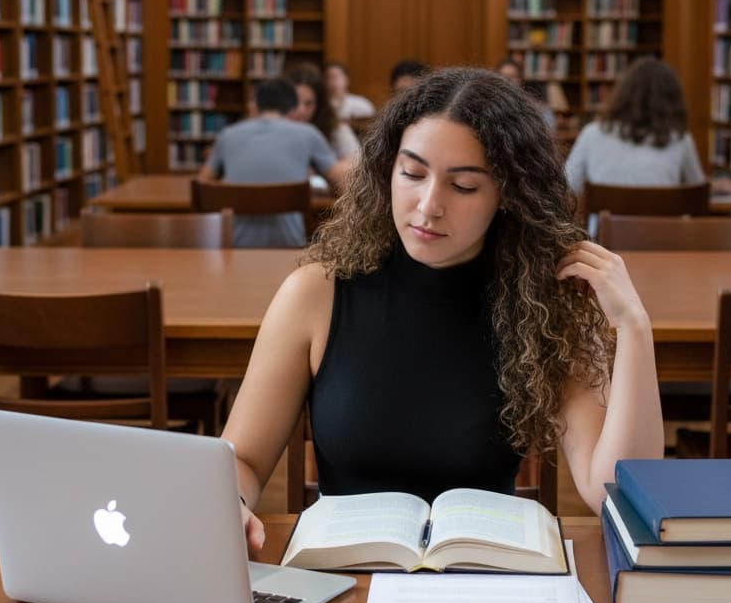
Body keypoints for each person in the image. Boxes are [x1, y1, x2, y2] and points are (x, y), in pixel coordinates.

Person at [221, 66, 664, 554]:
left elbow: (616, 496)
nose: (428, 205)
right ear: (386, 170)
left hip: (483, 583)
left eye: (465, 186)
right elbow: (243, 458)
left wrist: (634, 328)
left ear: (509, 196)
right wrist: (231, 501)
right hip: (344, 581)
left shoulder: (545, 305)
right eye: (411, 173)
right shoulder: (315, 293)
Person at [198, 77, 350, 246]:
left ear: (256, 104)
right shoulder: (308, 133)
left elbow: (202, 184)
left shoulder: (228, 135)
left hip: (236, 247)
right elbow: (341, 181)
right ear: (293, 106)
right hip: (289, 247)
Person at [565, 56, 705, 194]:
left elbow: (568, 186)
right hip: (660, 216)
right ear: (672, 101)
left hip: (606, 216)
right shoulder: (680, 139)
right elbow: (698, 191)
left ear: (622, 94)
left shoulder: (592, 133)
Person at [285, 62, 360, 161]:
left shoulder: (336, 129)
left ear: (320, 105)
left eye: (308, 103)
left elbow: (358, 164)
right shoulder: (275, 126)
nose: (300, 110)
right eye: (294, 101)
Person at [494, 57, 556, 129]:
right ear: (496, 79)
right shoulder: (490, 105)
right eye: (504, 76)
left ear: (521, 80)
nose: (508, 80)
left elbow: (550, 129)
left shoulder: (536, 106)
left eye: (513, 76)